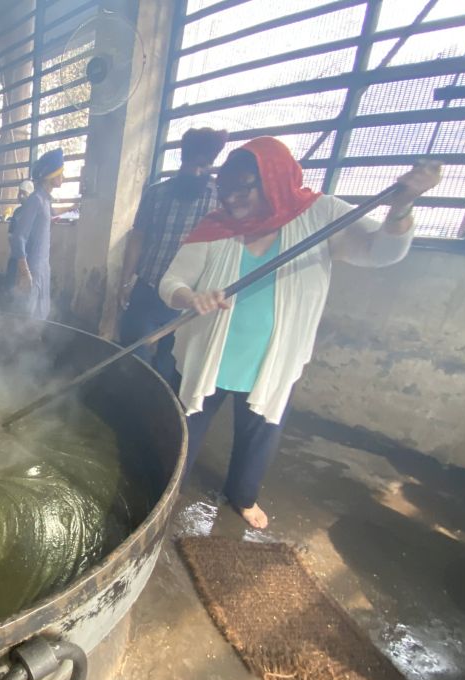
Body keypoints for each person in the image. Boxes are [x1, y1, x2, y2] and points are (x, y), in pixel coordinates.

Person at [158, 136, 441, 529]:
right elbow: (171, 281)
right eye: (227, 189)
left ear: (274, 179)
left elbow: (382, 252)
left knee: (261, 433)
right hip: (207, 354)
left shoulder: (319, 215)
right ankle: (169, 489)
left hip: (271, 359)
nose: (234, 199)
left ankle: (243, 496)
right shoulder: (217, 226)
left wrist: (402, 205)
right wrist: (189, 297)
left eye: (245, 187)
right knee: (184, 427)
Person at [115, 127, 229, 390]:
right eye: (194, 165)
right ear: (182, 160)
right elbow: (137, 239)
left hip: (188, 299)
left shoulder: (218, 201)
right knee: (134, 354)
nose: (199, 172)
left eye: (206, 166)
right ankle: (131, 402)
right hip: (149, 289)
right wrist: (125, 282)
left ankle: (157, 410)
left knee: (171, 363)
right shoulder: (156, 194)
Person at [7, 148, 64, 320]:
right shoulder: (36, 200)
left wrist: (47, 225)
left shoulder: (45, 200)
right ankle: (17, 347)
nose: (63, 177)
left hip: (42, 266)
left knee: (41, 314)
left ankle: (32, 346)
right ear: (51, 175)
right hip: (32, 268)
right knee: (27, 317)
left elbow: (35, 230)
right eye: (61, 173)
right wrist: (25, 272)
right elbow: (18, 237)